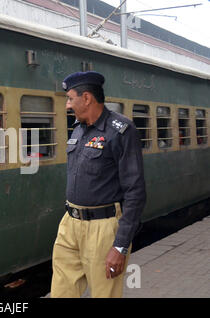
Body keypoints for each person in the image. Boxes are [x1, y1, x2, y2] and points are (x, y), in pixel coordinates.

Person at [50, 71, 146, 298]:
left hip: (103, 229)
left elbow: (135, 191)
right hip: (69, 224)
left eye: (70, 99)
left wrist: (120, 245)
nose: (67, 106)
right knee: (61, 293)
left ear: (87, 98)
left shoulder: (121, 130)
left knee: (105, 294)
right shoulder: (78, 130)